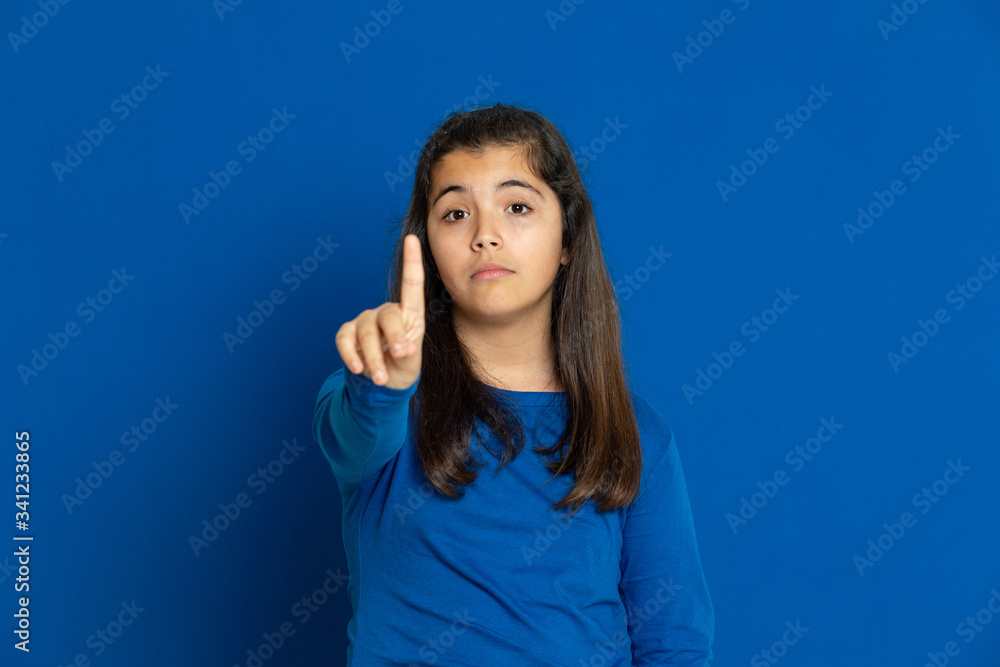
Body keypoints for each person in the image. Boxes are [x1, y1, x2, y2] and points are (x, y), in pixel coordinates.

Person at [312, 103, 714, 665]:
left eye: (517, 206)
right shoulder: (375, 401)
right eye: (455, 214)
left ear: (568, 239)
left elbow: (674, 640)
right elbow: (356, 433)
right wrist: (383, 381)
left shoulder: (637, 433)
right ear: (425, 245)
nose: (485, 236)